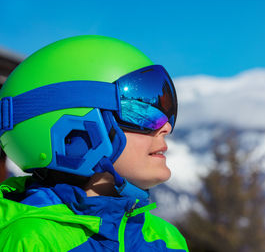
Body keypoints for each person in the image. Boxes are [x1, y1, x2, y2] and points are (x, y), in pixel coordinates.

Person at [0, 35, 189, 251]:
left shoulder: (167, 239)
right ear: (74, 131)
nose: (165, 126)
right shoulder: (30, 241)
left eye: (166, 111)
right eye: (139, 112)